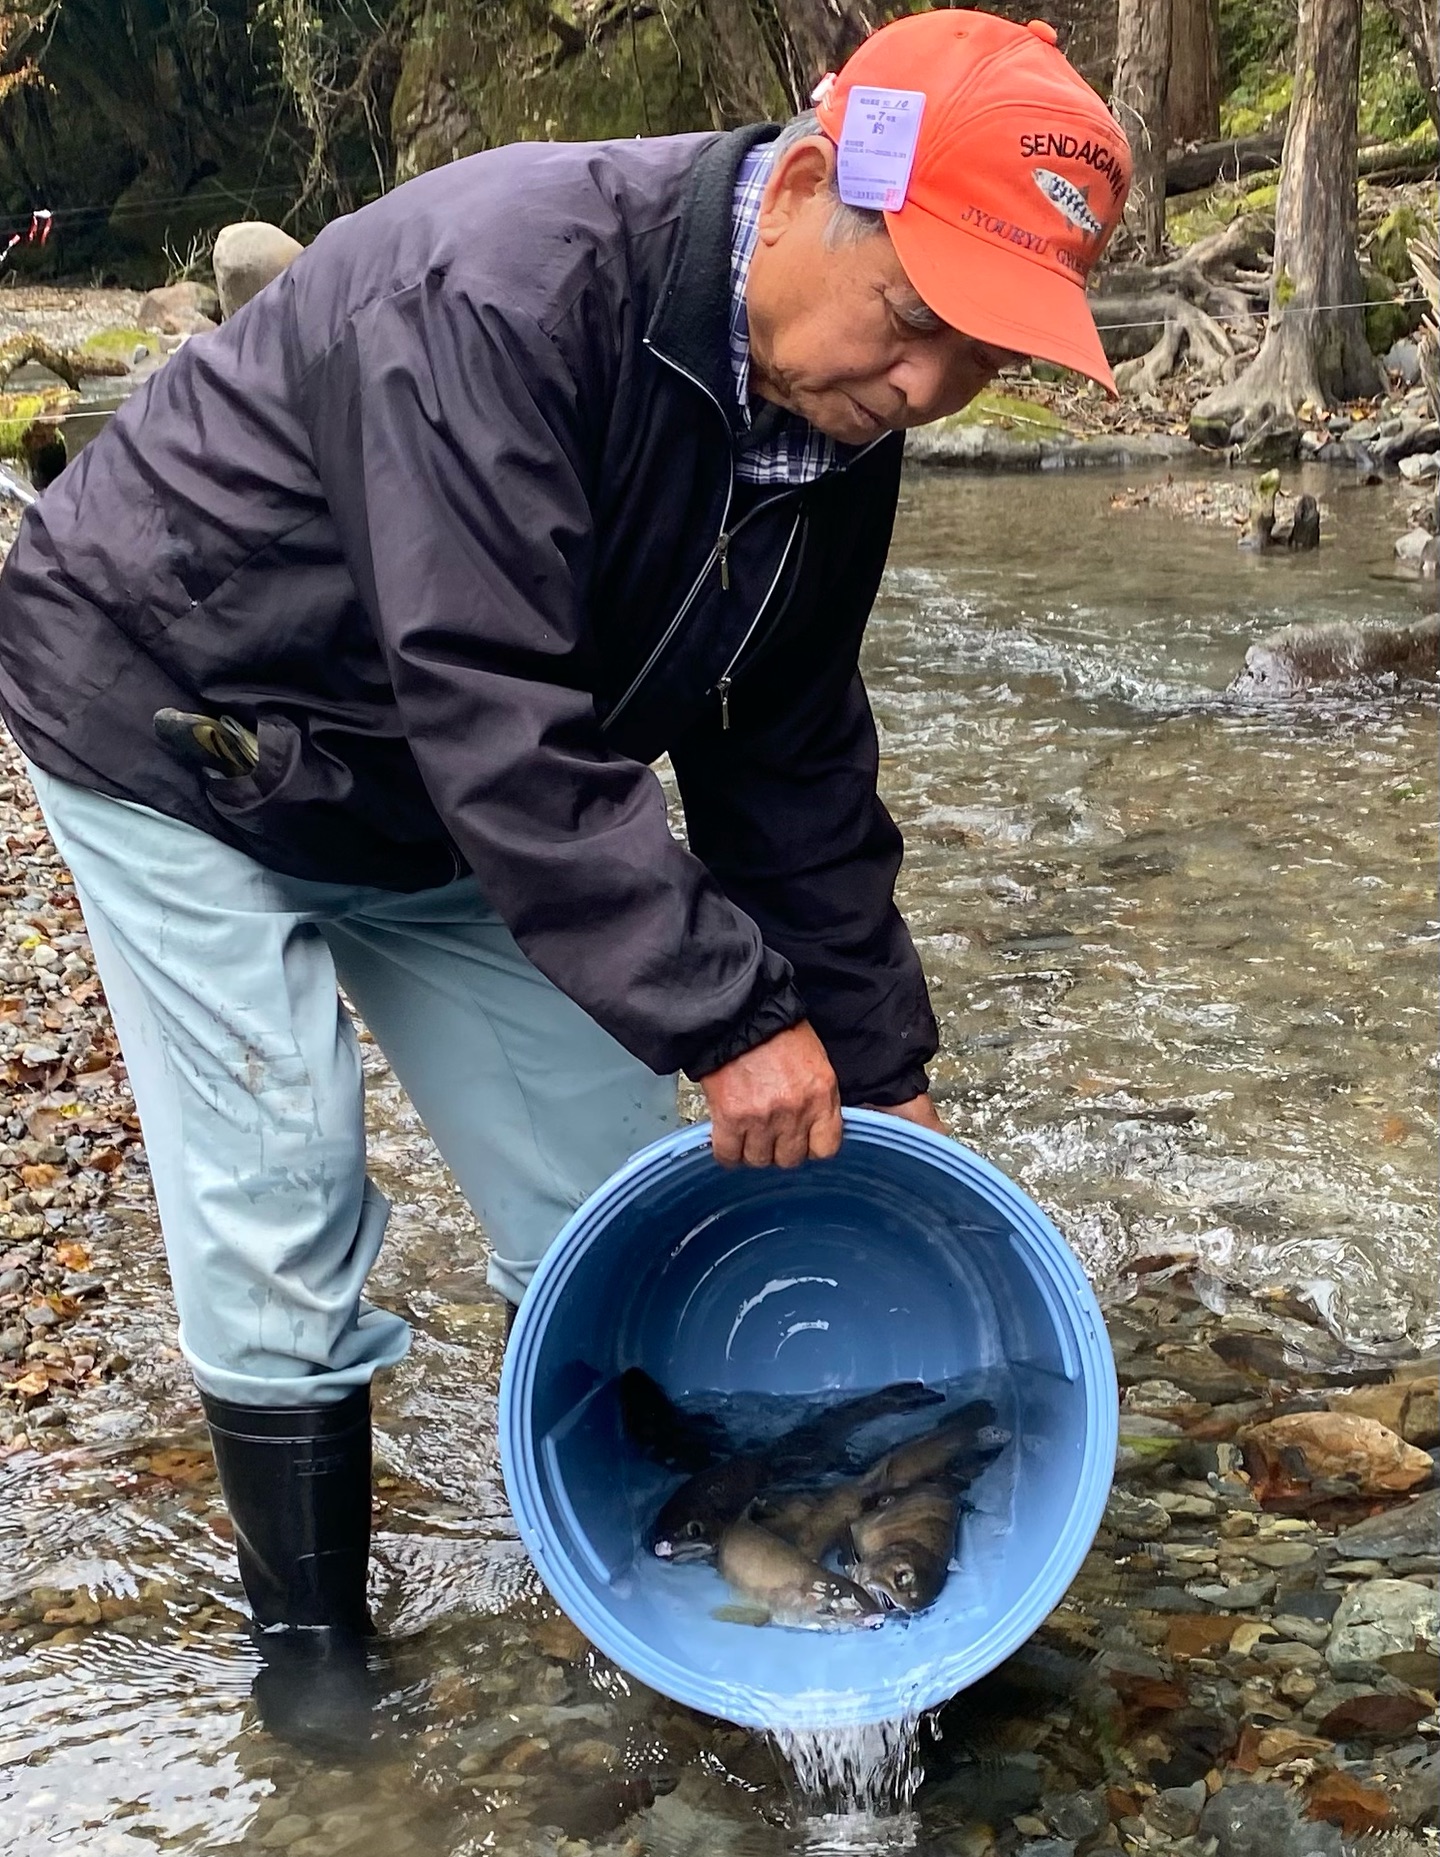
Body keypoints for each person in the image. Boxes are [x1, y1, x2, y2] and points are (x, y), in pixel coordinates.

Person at [0, 11, 1129, 1743]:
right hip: (176, 714)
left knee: (606, 1185)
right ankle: (314, 1670)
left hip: (444, 787)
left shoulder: (830, 417)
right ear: (817, 186)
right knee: (283, 1193)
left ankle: (671, 1535)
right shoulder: (501, 289)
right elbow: (488, 694)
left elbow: (785, 739)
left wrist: (876, 1060)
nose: (925, 388)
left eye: (985, 356)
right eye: (917, 320)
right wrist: (725, 1013)